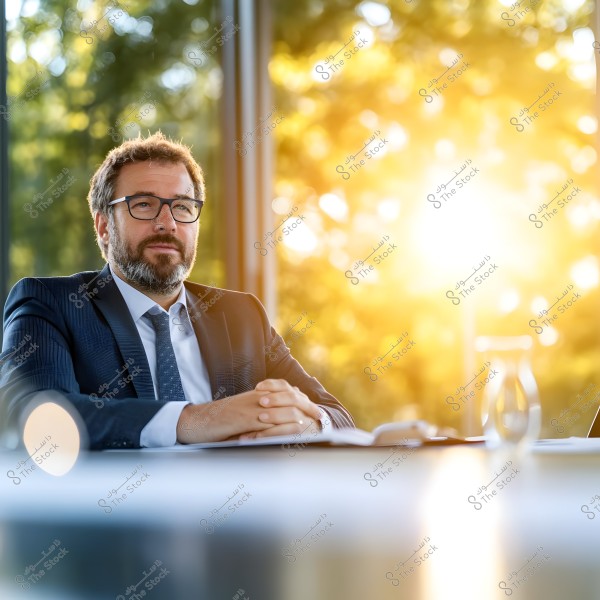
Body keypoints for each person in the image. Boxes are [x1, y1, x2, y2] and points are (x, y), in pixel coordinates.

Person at [0, 132, 354, 449]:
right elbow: (33, 415)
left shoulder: (241, 315)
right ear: (104, 226)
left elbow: (337, 416)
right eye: (143, 204)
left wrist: (307, 423)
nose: (167, 223)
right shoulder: (50, 304)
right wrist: (199, 419)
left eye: (183, 207)